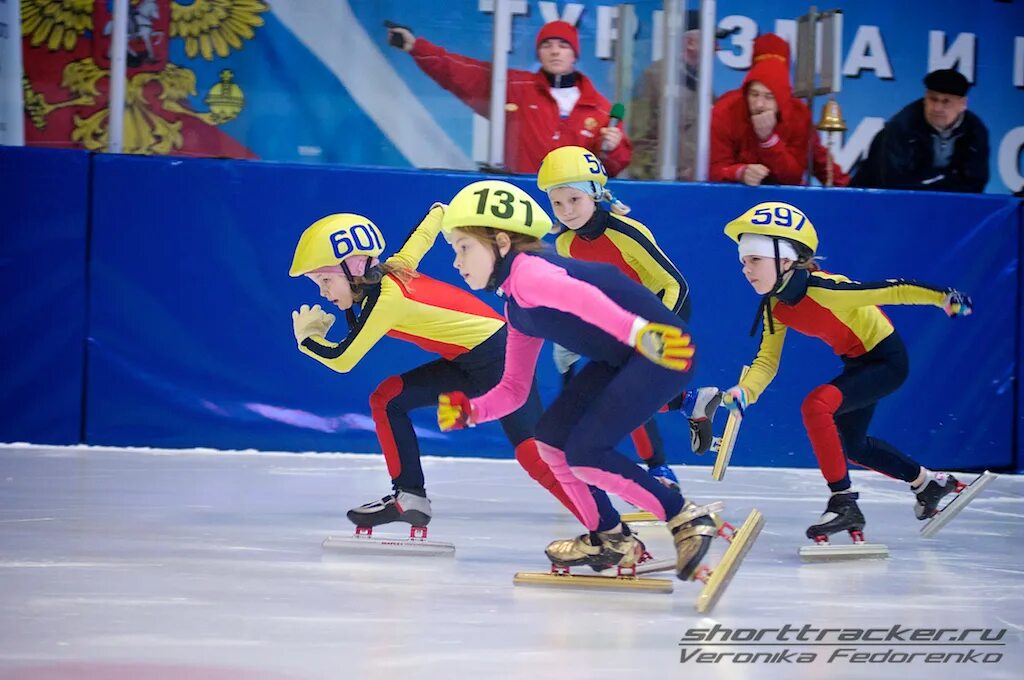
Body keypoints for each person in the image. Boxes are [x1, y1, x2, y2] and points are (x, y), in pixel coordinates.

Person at [434, 179, 726, 579]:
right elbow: (514, 390)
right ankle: (609, 536)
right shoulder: (516, 306)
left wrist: (640, 332)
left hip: (663, 348)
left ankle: (684, 518)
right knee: (551, 439)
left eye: (463, 247)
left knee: (587, 452)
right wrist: (472, 411)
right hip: (626, 353)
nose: (456, 261)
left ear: (501, 242)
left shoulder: (529, 273)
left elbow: (583, 298)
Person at [288, 205, 583, 530]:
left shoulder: (386, 300)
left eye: (325, 279)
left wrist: (308, 337)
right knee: (388, 398)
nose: (323, 291)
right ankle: (409, 497)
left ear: (356, 266)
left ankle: (610, 532)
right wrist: (442, 211)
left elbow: (342, 360)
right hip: (472, 360)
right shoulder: (394, 269)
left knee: (532, 453)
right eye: (318, 283)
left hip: (500, 356)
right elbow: (422, 237)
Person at [719, 201, 974, 541]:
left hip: (887, 360)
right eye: (743, 261)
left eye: (754, 259)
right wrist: (744, 392)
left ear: (785, 260)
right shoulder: (776, 306)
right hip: (858, 363)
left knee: (816, 405)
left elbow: (891, 291)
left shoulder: (824, 290)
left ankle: (843, 501)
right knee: (853, 446)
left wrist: (942, 297)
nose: (745, 269)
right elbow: (767, 359)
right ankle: (928, 483)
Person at [536, 145, 722, 484]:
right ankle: (689, 405)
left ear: (595, 194)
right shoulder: (564, 245)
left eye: (574, 200)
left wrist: (659, 331)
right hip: (623, 323)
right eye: (557, 203)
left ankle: (661, 466)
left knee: (623, 389)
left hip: (665, 308)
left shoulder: (626, 231)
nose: (566, 211)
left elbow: (675, 284)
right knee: (615, 391)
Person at [386, 20, 632, 176]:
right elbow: (459, 71)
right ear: (539, 53)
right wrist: (416, 47)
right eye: (547, 45)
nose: (555, 51)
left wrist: (612, 148)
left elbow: (612, 168)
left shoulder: (601, 109)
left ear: (574, 54)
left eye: (563, 45)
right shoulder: (514, 86)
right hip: (520, 195)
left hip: (570, 207)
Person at [710, 33, 849, 187]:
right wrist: (740, 172)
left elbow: (796, 175)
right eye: (754, 94)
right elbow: (714, 170)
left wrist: (769, 142)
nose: (759, 104)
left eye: (769, 96)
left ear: (782, 95)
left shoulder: (799, 115)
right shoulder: (725, 110)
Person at [851, 69, 989, 192]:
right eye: (933, 99)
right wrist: (946, 180)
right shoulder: (902, 126)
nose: (937, 108)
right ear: (925, 97)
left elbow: (975, 183)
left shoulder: (975, 131)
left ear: (963, 104)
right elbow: (895, 183)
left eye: (946, 101)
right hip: (878, 198)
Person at [629, 10, 702, 180]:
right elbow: (640, 143)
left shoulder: (704, 86)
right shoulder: (654, 79)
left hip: (694, 188)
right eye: (712, 41)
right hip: (661, 188)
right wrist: (670, 179)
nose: (718, 47)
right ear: (690, 42)